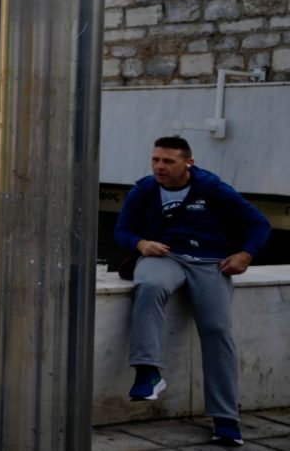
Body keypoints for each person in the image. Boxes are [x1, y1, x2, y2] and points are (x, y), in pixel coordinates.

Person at [115, 136, 271, 448]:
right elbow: (122, 230)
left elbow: (260, 224)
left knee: (217, 331)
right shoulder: (144, 190)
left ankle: (226, 421)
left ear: (188, 163)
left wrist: (245, 255)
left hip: (210, 261)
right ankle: (148, 373)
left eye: (168, 161)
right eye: (156, 159)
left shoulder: (214, 190)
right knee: (149, 285)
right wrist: (141, 244)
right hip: (164, 256)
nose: (159, 166)